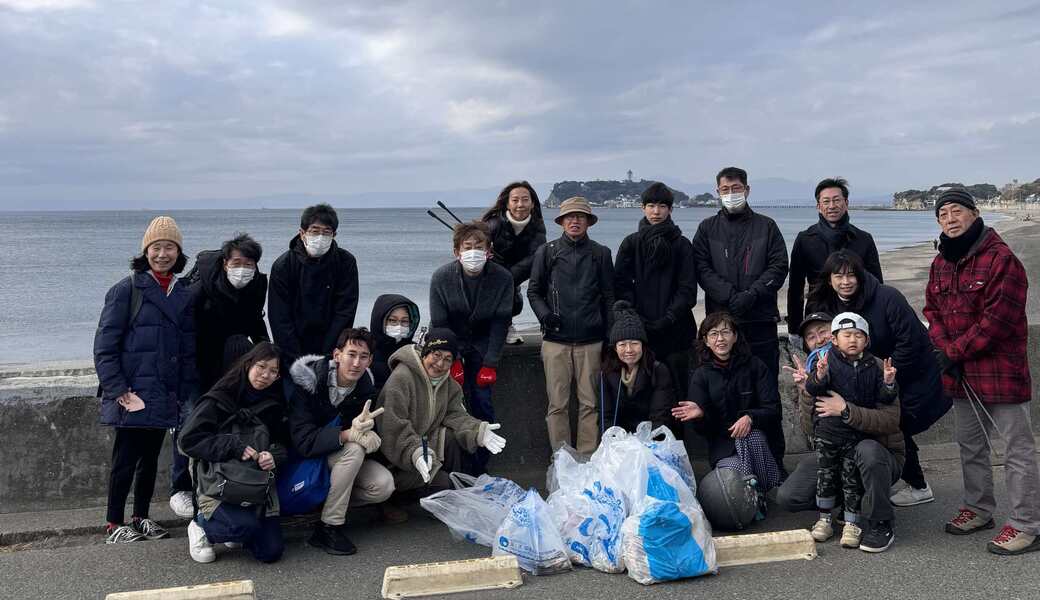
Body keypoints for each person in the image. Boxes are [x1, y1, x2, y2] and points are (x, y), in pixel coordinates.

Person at [924, 188, 1040, 555]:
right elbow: (932, 311)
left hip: (1000, 372)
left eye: (956, 211)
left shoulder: (1001, 259)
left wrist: (952, 353)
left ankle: (1027, 525)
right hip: (960, 374)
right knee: (970, 446)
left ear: (975, 213)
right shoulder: (941, 263)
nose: (950, 219)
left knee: (1017, 450)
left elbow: (998, 321)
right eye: (942, 215)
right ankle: (978, 508)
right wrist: (945, 349)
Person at [807, 250, 949, 506]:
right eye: (838, 276)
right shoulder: (829, 304)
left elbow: (911, 341)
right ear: (829, 280)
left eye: (851, 275)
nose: (845, 281)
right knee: (868, 427)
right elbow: (825, 341)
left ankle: (918, 485)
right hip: (863, 376)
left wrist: (881, 376)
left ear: (861, 276)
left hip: (907, 374)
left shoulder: (887, 297)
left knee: (896, 425)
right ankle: (863, 488)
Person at [93, 216, 196, 544]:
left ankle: (141, 517)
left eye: (169, 247)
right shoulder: (126, 290)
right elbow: (104, 347)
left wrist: (184, 390)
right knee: (124, 459)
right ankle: (113, 524)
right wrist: (119, 390)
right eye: (156, 247)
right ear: (145, 251)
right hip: (133, 392)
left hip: (164, 392)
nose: (162, 254)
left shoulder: (182, 293)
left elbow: (187, 348)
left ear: (178, 252)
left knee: (151, 459)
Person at [778, 311, 906, 553]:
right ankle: (841, 509)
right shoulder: (820, 370)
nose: (818, 340)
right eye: (811, 337)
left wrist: (846, 410)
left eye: (822, 332)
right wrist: (807, 389)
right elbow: (810, 429)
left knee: (866, 451)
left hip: (877, 453)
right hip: (833, 445)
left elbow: (890, 421)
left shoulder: (876, 366)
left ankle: (880, 521)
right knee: (789, 495)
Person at [692, 166, 789, 467]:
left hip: (759, 323)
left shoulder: (767, 226)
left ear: (747, 190)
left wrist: (751, 295)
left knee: (766, 392)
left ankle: (774, 459)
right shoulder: (707, 228)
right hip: (721, 324)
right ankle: (726, 458)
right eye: (725, 189)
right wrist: (730, 297)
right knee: (721, 394)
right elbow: (702, 269)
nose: (731, 194)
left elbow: (778, 266)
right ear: (717, 192)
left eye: (736, 188)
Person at [172, 233, 270, 519]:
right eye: (237, 262)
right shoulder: (201, 287)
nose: (243, 269)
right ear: (225, 263)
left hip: (231, 365)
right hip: (195, 364)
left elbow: (255, 320)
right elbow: (180, 327)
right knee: (190, 422)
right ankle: (180, 488)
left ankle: (216, 482)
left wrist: (267, 353)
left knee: (224, 424)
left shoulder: (255, 286)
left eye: (249, 264)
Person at [288, 328, 396, 555]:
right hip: (304, 460)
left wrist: (371, 436)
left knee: (383, 485)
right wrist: (348, 435)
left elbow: (365, 430)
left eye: (363, 357)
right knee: (354, 449)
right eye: (351, 354)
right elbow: (303, 441)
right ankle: (330, 526)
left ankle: (323, 506)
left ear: (370, 361)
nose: (356, 363)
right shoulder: (309, 383)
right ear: (337, 355)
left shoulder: (366, 390)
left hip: (338, 460)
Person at [177, 342, 288, 564]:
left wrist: (273, 455)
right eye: (261, 366)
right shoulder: (219, 398)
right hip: (219, 483)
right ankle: (200, 525)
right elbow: (187, 441)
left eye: (273, 371)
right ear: (248, 365)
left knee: (271, 552)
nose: (265, 375)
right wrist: (233, 446)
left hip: (255, 484)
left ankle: (238, 528)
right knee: (242, 527)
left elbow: (285, 444)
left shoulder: (274, 404)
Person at [528, 197, 614, 454]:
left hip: (592, 340)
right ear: (562, 221)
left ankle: (588, 456)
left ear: (588, 221)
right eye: (569, 217)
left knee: (590, 403)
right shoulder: (547, 251)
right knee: (557, 404)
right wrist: (545, 316)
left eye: (580, 216)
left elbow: (609, 296)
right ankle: (562, 456)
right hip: (555, 341)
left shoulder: (601, 253)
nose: (574, 221)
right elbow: (534, 292)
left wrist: (609, 334)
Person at [377, 328, 507, 494]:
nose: (440, 364)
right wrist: (415, 453)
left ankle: (458, 492)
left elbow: (455, 414)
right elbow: (393, 428)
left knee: (452, 439)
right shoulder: (401, 378)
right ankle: (397, 501)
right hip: (396, 457)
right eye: (436, 355)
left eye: (447, 359)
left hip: (424, 446)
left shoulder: (448, 383)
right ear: (425, 353)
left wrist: (478, 431)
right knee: (444, 484)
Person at [429, 221, 513, 475]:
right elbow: (439, 323)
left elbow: (501, 322)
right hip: (450, 344)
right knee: (452, 404)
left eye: (479, 246)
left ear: (489, 251)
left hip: (483, 344)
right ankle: (453, 465)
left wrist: (490, 363)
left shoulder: (502, 278)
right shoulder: (441, 278)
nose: (473, 252)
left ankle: (480, 467)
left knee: (482, 403)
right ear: (457, 251)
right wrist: (451, 361)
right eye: (468, 247)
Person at [672, 312, 783, 492]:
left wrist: (750, 417)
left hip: (754, 440)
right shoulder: (701, 375)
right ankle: (751, 496)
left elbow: (773, 409)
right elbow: (702, 430)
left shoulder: (755, 366)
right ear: (706, 341)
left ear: (735, 336)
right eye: (713, 334)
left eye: (725, 332)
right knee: (735, 478)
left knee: (753, 437)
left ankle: (763, 490)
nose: (720, 339)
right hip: (723, 447)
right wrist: (700, 415)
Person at [614, 182, 698, 397]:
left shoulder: (681, 245)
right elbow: (622, 286)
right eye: (651, 206)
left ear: (670, 209)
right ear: (642, 208)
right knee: (643, 393)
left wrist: (668, 317)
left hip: (677, 331)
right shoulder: (631, 244)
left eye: (662, 206)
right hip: (642, 332)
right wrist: (636, 317)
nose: (656, 211)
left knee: (680, 392)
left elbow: (687, 290)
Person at [787, 178, 883, 341]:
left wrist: (878, 319)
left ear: (846, 202)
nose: (832, 206)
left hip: (857, 313)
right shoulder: (805, 239)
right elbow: (796, 286)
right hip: (819, 314)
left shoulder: (863, 239)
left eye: (837, 200)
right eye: (826, 201)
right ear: (818, 206)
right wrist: (795, 328)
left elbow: (876, 283)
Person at [268, 203, 359, 370]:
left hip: (331, 348)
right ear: (302, 233)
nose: (320, 236)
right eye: (315, 231)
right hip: (293, 349)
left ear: (334, 235)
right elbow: (279, 318)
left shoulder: (346, 262)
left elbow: (345, 311)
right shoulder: (283, 265)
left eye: (326, 232)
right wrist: (297, 359)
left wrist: (327, 355)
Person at [481, 181, 548, 345]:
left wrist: (508, 277)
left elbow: (535, 258)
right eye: (515, 200)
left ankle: (508, 325)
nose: (520, 204)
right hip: (489, 274)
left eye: (525, 200)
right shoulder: (493, 224)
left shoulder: (537, 227)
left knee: (514, 301)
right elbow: (476, 248)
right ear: (507, 203)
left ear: (532, 204)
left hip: (512, 277)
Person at [599, 301, 675, 433]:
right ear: (615, 349)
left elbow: (660, 416)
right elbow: (606, 416)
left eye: (634, 343)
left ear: (643, 346)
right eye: (622, 344)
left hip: (650, 439)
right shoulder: (606, 373)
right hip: (620, 440)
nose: (629, 349)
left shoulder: (658, 370)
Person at [368, 294, 421, 390]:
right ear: (380, 320)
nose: (399, 326)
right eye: (392, 320)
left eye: (405, 321)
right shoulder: (366, 350)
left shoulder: (416, 352)